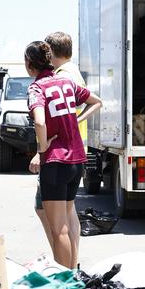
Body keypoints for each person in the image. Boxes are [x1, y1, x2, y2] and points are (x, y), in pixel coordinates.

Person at [25, 41, 102, 269]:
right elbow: (96, 102)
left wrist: (42, 147)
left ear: (30, 65)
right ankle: (71, 276)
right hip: (77, 160)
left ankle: (65, 282)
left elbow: (39, 120)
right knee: (67, 222)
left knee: (59, 229)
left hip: (56, 162)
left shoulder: (37, 88)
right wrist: (75, 120)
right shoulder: (66, 82)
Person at [30, 32, 87, 251]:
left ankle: (64, 264)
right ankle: (69, 264)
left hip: (59, 152)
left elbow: (44, 120)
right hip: (74, 150)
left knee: (57, 220)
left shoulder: (60, 76)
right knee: (66, 214)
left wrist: (40, 150)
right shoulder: (71, 73)